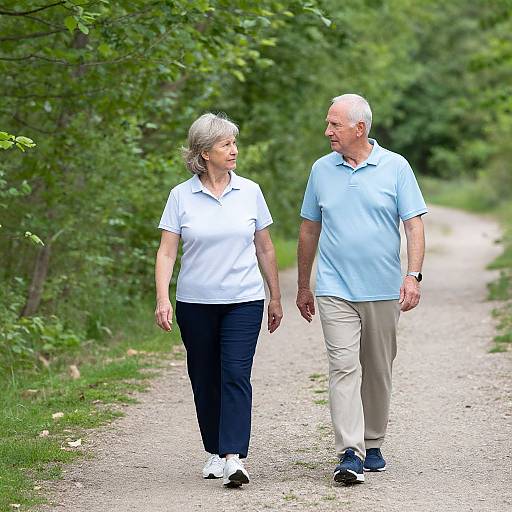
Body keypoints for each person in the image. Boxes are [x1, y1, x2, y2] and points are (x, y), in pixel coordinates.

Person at [296, 94, 427, 484]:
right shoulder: (321, 170)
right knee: (343, 366)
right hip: (334, 287)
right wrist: (304, 284)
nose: (327, 132)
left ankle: (373, 442)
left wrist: (413, 275)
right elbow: (308, 229)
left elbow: (414, 225)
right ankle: (348, 451)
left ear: (360, 128)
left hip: (383, 287)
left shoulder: (396, 167)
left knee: (378, 369)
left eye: (334, 124)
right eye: (328, 123)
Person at [155, 112, 283, 488]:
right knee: (204, 376)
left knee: (235, 374)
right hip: (195, 304)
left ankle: (233, 457)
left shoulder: (250, 192)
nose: (234, 150)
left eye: (234, 143)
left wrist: (275, 296)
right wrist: (163, 298)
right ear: (204, 151)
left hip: (244, 299)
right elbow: (166, 253)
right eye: (226, 144)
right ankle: (213, 449)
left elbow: (265, 247)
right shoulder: (181, 196)